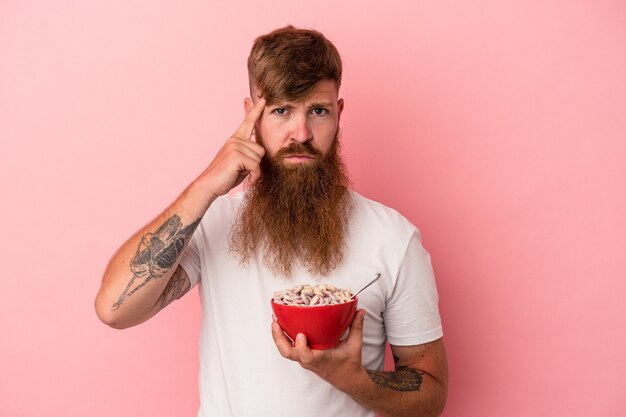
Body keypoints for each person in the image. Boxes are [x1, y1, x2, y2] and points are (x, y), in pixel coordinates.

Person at [95, 25, 448, 417]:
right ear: (251, 116)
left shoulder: (393, 238)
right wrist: (206, 186)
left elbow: (430, 394)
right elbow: (114, 308)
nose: (302, 133)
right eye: (281, 110)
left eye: (318, 111)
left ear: (339, 114)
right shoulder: (214, 221)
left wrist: (354, 380)